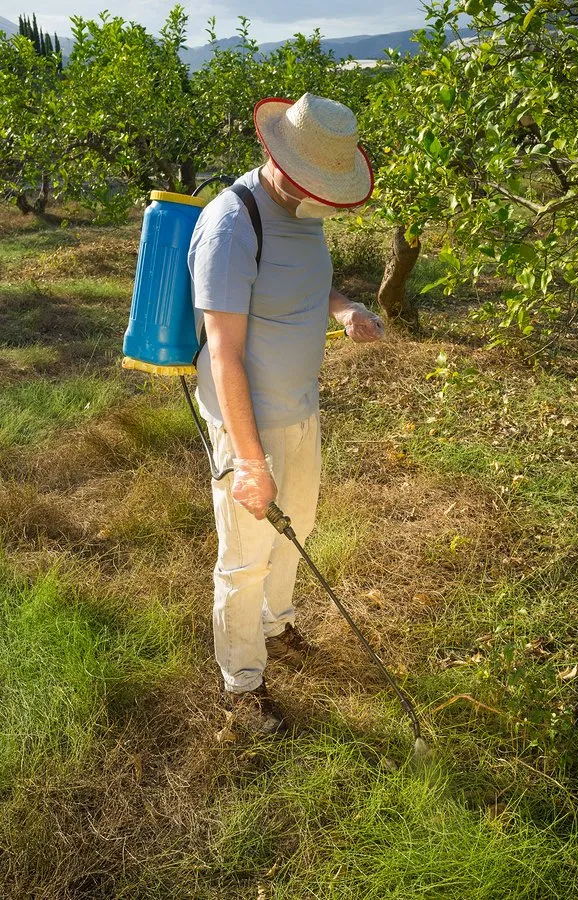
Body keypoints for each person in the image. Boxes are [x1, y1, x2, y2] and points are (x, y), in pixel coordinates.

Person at [188, 92, 383, 736]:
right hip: (249, 422)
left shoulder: (305, 209)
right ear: (278, 157)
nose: (318, 195)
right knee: (245, 556)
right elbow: (224, 353)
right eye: (310, 181)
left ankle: (277, 625)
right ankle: (242, 682)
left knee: (297, 526)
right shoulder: (231, 224)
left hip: (301, 407)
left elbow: (305, 281)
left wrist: (345, 309)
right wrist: (248, 462)